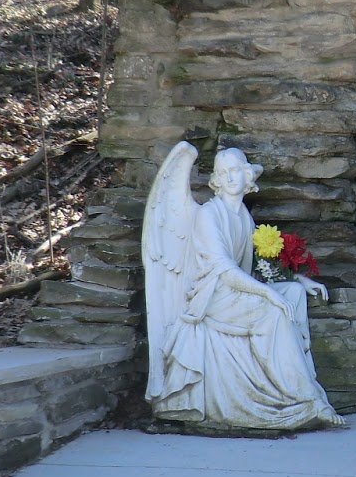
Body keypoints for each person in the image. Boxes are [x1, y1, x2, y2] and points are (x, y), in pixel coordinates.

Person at [144, 145, 345, 431]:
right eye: (223, 173)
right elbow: (225, 270)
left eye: (235, 170)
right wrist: (267, 293)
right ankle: (307, 398)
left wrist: (299, 280)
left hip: (233, 291)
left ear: (247, 175)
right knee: (271, 311)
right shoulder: (208, 215)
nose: (229, 178)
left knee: (293, 294)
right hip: (214, 298)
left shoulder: (243, 217)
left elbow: (257, 270)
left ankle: (301, 380)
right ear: (215, 179)